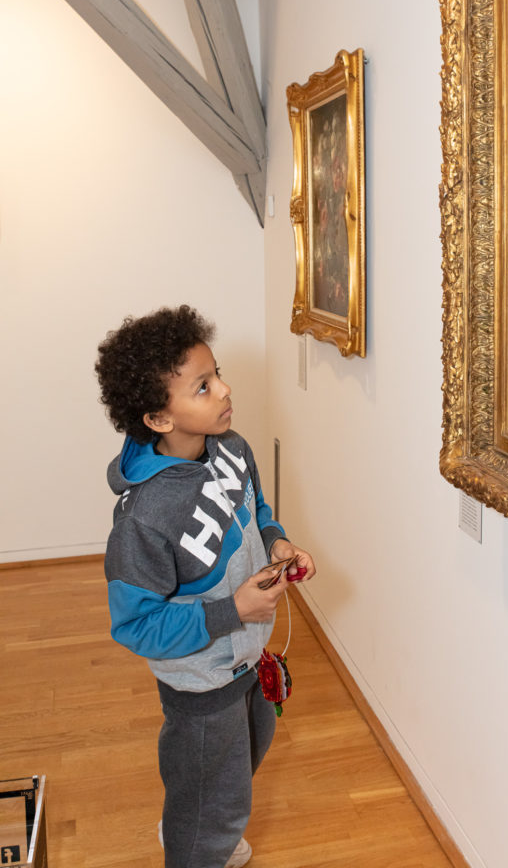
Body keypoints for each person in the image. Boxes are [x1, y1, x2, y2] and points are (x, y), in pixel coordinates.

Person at [95, 305, 315, 868]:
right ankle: (198, 843)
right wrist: (232, 610)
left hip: (249, 656)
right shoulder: (143, 520)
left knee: (241, 761)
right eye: (202, 386)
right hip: (200, 681)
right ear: (159, 418)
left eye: (216, 375)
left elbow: (257, 512)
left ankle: (203, 827)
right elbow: (136, 626)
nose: (224, 389)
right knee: (212, 795)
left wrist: (277, 543)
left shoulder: (233, 448)